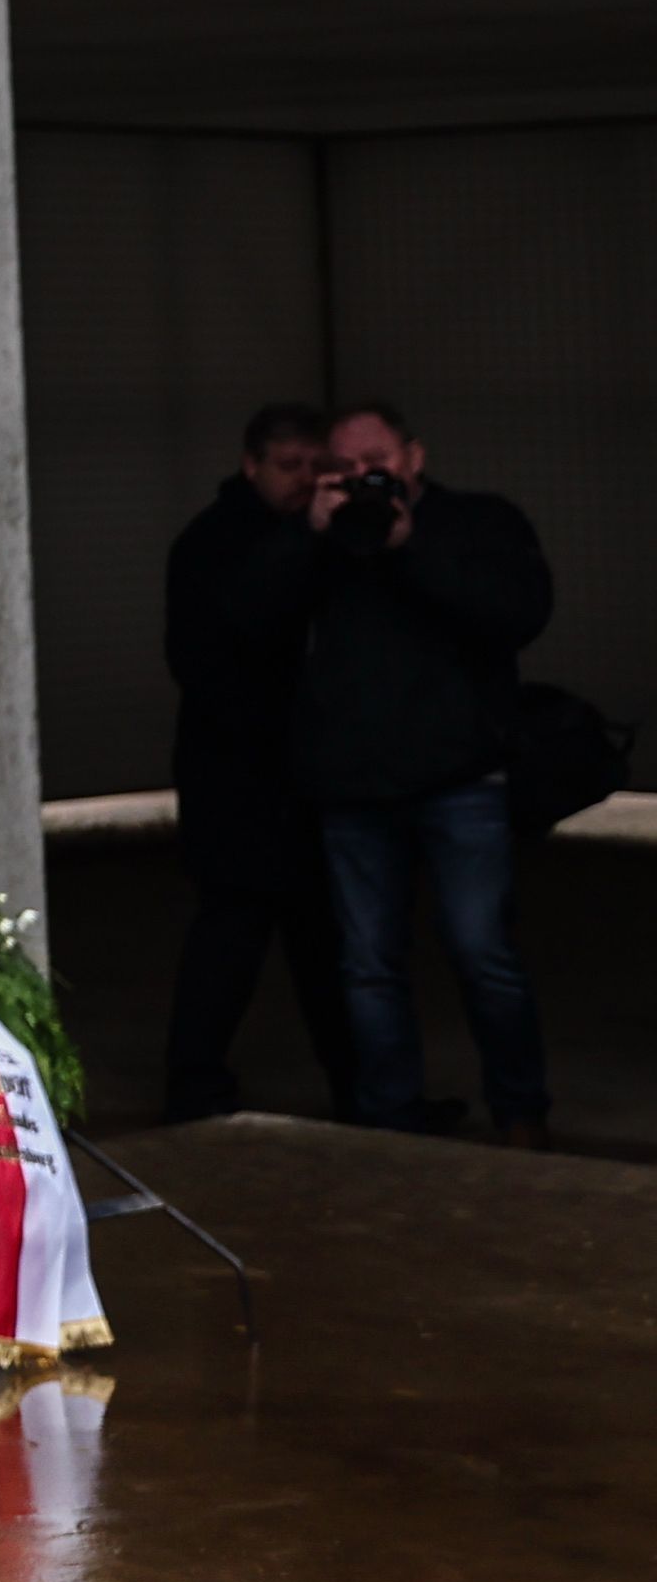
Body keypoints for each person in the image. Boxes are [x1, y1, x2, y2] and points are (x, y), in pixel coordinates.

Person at [287, 402, 555, 1146]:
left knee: (482, 951)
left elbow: (521, 611)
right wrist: (311, 541)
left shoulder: (476, 521)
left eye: (377, 459)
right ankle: (390, 1119)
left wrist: (410, 545)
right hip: (351, 789)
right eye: (344, 464)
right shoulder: (318, 541)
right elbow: (249, 629)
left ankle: (520, 1110)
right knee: (369, 966)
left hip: (459, 781)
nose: (363, 475)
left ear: (414, 457)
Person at [156, 400, 355, 1122]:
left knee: (319, 944)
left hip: (289, 780)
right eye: (289, 466)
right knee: (234, 940)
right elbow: (218, 652)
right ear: (252, 465)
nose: (303, 480)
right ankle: (195, 1084)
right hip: (240, 780)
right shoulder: (215, 544)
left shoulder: (304, 538)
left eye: (314, 466)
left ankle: (361, 1092)